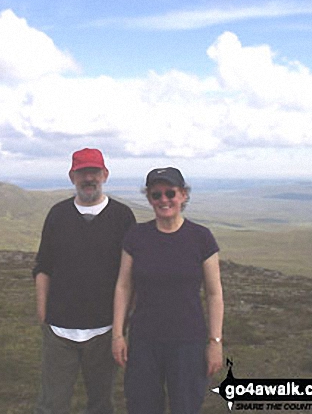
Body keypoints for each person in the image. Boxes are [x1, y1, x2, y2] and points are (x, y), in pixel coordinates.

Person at [112, 167, 224, 414]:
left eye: (170, 193)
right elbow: (124, 285)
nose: (164, 200)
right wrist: (118, 334)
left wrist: (215, 342)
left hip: (188, 343)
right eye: (156, 195)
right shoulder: (136, 237)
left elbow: (215, 294)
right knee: (142, 407)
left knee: (186, 407)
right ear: (149, 198)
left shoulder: (201, 238)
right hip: (144, 342)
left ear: (183, 195)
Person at [33, 148, 136, 414]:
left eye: (94, 172)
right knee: (51, 404)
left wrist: (119, 327)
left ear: (105, 174)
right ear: (72, 176)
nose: (88, 178)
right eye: (82, 172)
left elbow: (128, 277)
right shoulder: (57, 215)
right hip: (59, 330)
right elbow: (43, 267)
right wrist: (43, 314)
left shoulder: (123, 217)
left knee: (101, 404)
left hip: (104, 330)